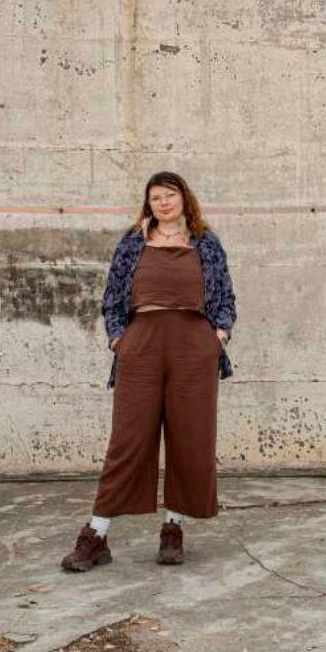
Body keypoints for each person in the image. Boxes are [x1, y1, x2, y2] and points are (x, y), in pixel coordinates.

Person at [61, 171, 237, 572]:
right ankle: (96, 535)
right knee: (128, 439)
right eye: (155, 197)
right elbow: (112, 296)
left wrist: (219, 336)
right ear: (148, 203)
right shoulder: (133, 242)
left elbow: (225, 294)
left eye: (169, 195)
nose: (162, 202)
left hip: (194, 347)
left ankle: (172, 529)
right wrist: (117, 339)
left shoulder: (205, 242)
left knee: (190, 438)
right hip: (141, 345)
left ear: (183, 199)